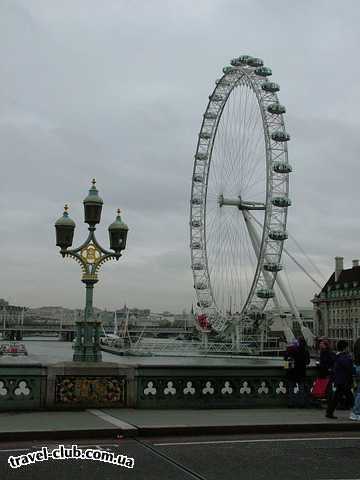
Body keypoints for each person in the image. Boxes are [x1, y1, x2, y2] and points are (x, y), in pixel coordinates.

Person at [326, 340, 354, 419]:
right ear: (345, 348)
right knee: (350, 398)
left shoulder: (337, 356)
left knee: (337, 397)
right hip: (343, 380)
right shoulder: (344, 357)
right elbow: (349, 367)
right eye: (347, 347)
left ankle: (329, 412)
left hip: (340, 380)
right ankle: (356, 411)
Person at [285, 336, 310, 407]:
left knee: (291, 388)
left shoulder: (291, 349)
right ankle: (302, 403)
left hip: (292, 371)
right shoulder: (305, 351)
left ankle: (291, 403)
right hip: (301, 371)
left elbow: (286, 359)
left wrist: (286, 368)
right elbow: (307, 362)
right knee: (301, 388)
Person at [350, 338, 360, 421]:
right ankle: (356, 412)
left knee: (357, 392)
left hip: (357, 366)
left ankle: (355, 411)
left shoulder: (357, 341)